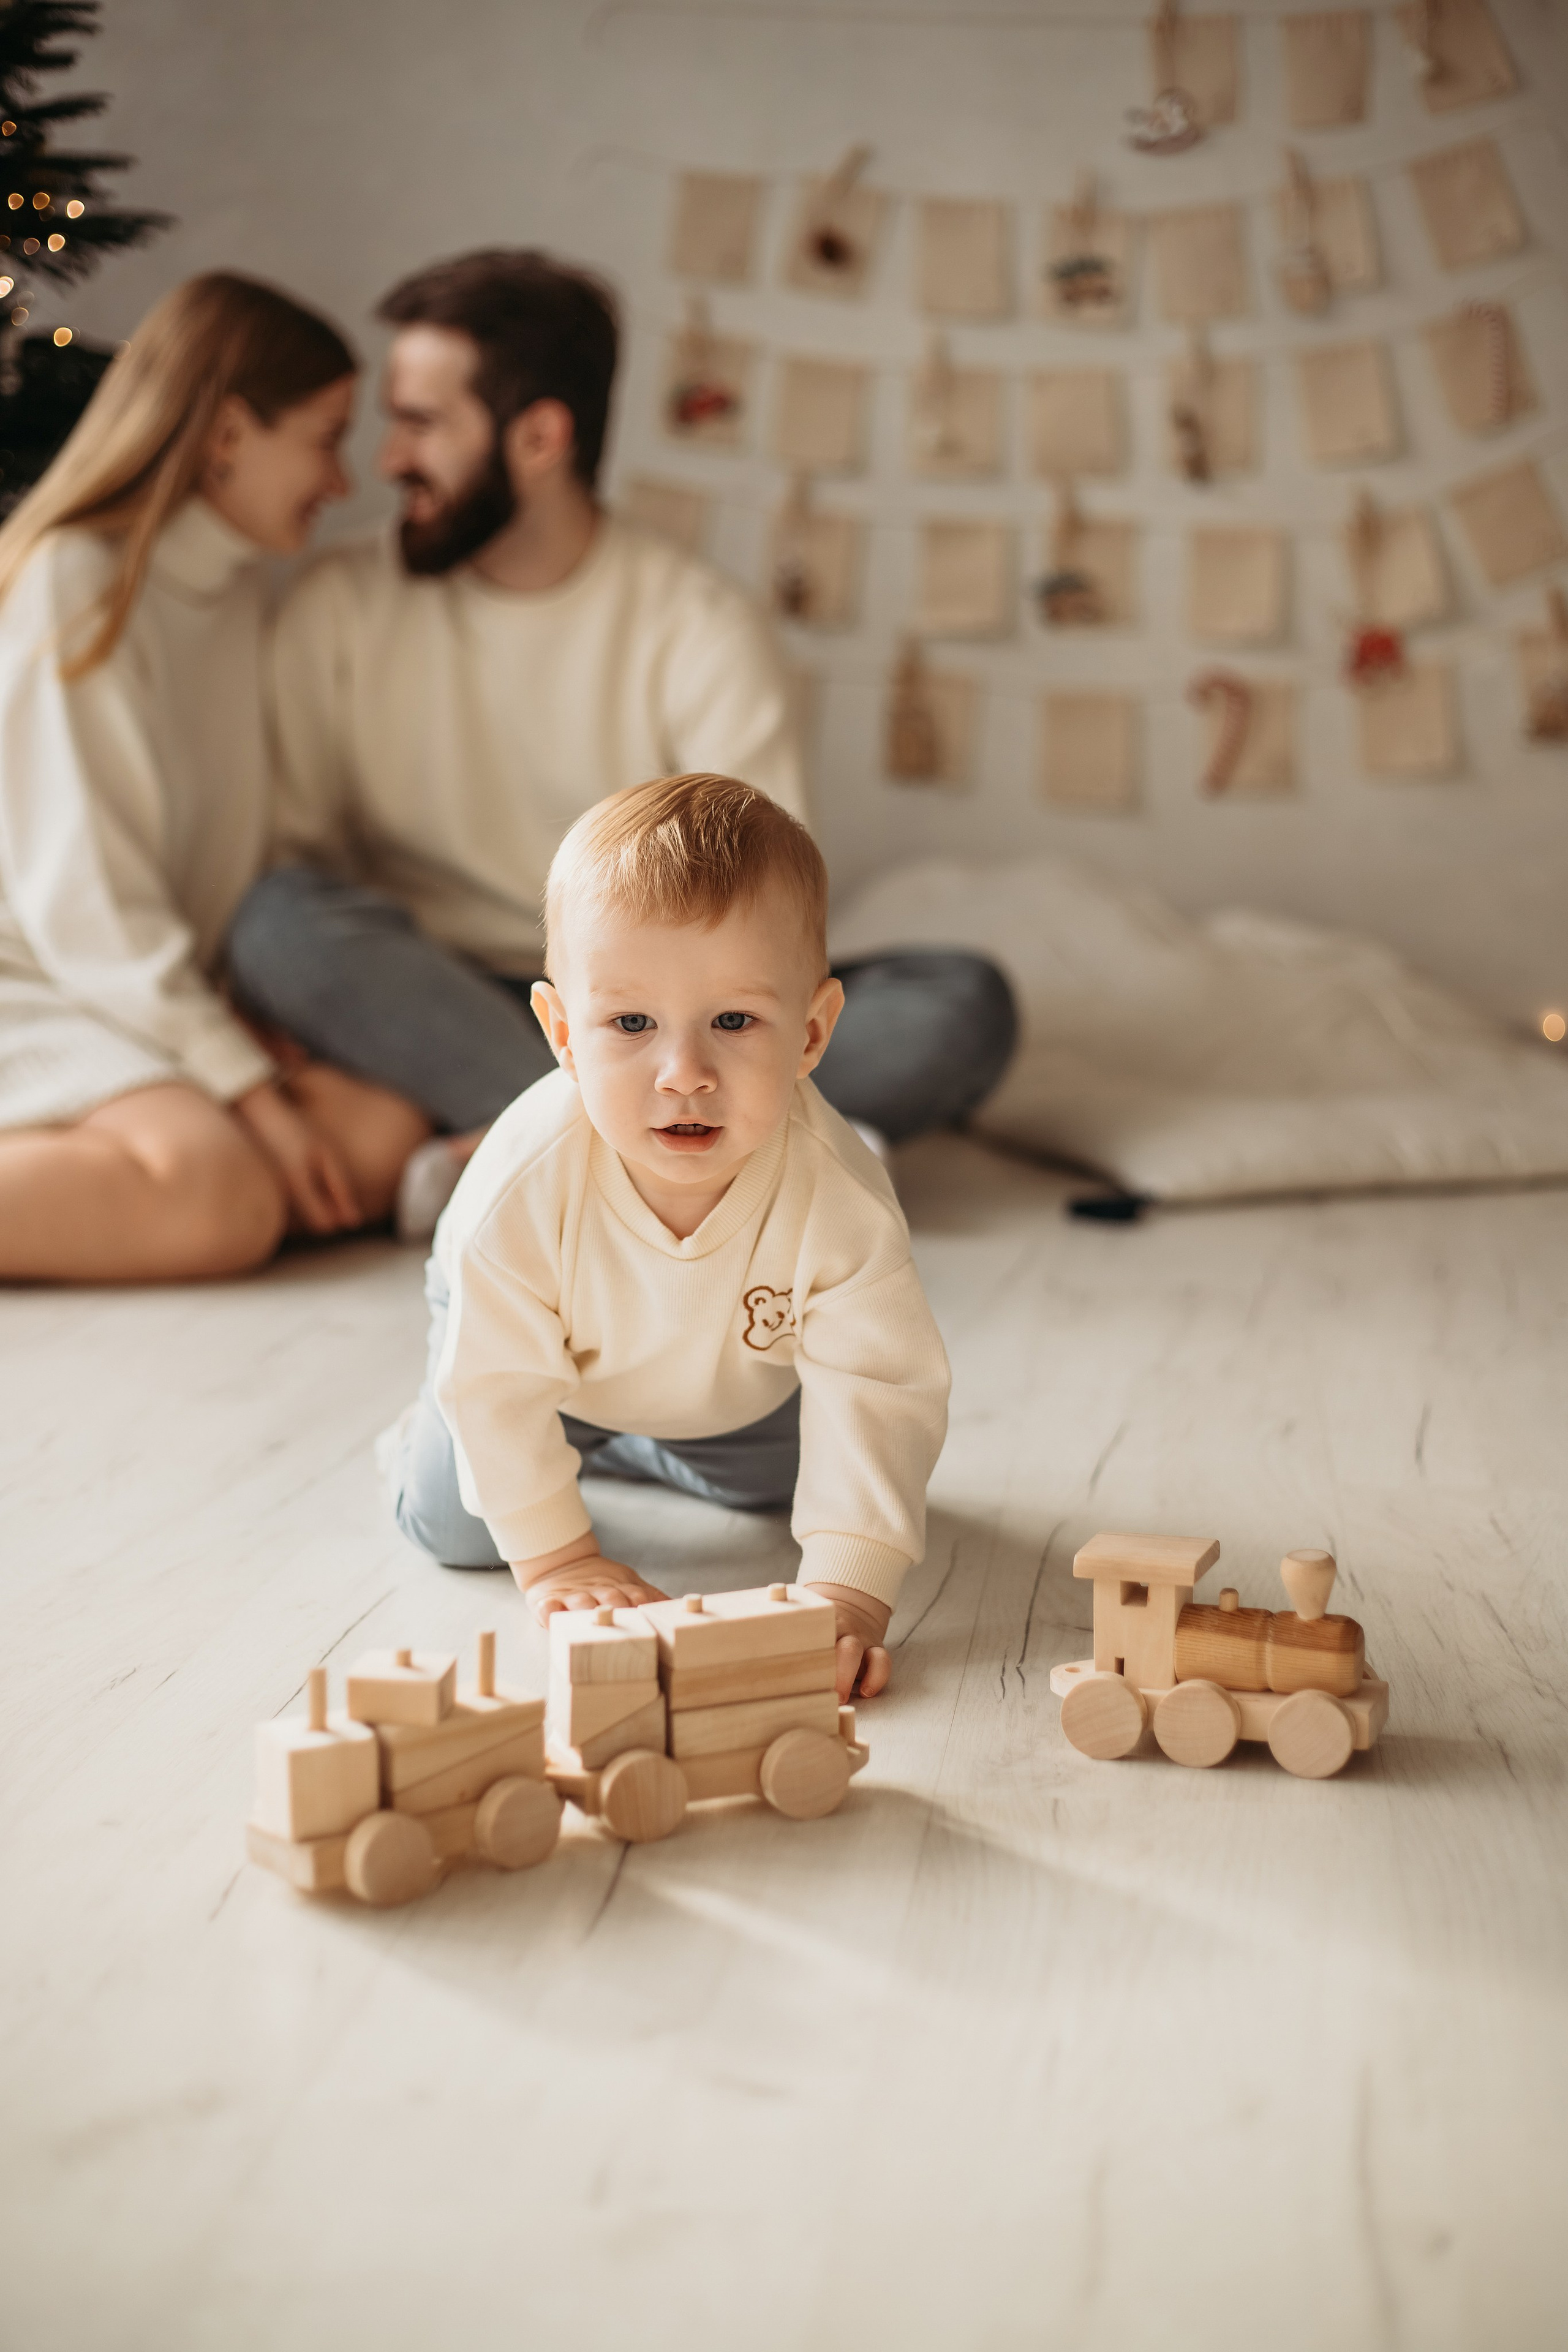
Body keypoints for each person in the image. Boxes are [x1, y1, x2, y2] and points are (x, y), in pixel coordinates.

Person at [225, 247, 1017, 1235]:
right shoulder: (337, 607)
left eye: (421, 423)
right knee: (276, 924)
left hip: (659, 1019)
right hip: (432, 993)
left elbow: (759, 903)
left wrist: (647, 1022)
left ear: (539, 437)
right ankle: (729, 1157)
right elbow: (298, 866)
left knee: (963, 1003)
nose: (387, 461)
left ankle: (531, 1146)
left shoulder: (699, 626)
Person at [389, 772, 951, 1702]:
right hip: (523, 1349)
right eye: (631, 1023)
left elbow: (878, 1394)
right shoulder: (521, 1188)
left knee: (795, 1485)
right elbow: (498, 1385)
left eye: (734, 1021)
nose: (684, 1073)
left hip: (725, 1379)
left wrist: (847, 1595)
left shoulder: (840, 1198)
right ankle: (444, 1431)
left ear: (812, 1033)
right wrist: (561, 1562)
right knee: (461, 1526)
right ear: (563, 1033)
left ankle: (630, 1444)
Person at [0, 272, 429, 1284]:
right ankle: (160, 1170)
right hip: (38, 981)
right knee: (216, 1191)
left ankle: (118, 1169)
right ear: (230, 433)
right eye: (326, 438)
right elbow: (88, 912)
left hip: (134, 988)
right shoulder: (77, 578)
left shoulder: (234, 595)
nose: (343, 481)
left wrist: (231, 1035)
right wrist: (248, 1096)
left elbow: (228, 861)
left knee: (379, 1130)